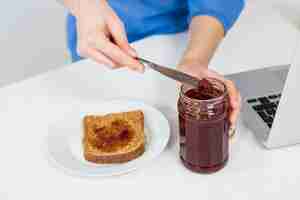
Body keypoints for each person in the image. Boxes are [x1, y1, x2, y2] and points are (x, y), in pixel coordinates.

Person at [61, 0, 244, 129]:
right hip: (99, 39)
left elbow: (217, 3)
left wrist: (194, 60)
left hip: (187, 36)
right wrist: (84, 6)